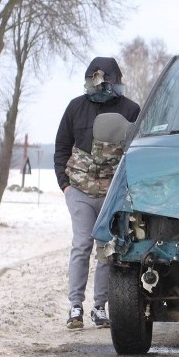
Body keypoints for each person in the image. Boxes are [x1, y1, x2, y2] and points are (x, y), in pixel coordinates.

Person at [54, 57, 140, 329]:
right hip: (79, 190)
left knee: (107, 248)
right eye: (95, 79)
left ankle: (99, 307)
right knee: (81, 245)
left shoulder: (131, 110)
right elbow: (61, 148)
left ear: (116, 80)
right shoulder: (75, 108)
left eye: (106, 80)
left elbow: (138, 152)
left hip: (113, 194)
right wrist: (65, 186)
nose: (100, 84)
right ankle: (75, 306)